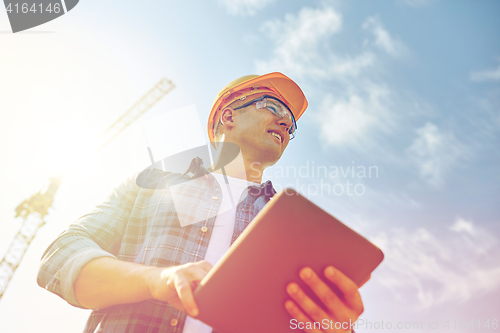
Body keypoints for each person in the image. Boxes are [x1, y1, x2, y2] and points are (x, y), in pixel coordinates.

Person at [37, 72, 364, 332]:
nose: (285, 123)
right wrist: (154, 281)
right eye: (274, 107)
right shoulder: (154, 183)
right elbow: (61, 257)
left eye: (291, 125)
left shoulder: (293, 226)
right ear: (228, 115)